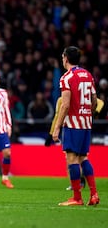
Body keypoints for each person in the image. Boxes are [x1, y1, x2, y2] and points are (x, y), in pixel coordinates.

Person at [52, 46, 99, 206]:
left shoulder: (66, 77)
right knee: (83, 158)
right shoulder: (88, 75)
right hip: (86, 123)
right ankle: (93, 195)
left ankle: (77, 198)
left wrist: (57, 127)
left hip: (73, 124)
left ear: (65, 58)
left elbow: (65, 105)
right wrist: (87, 113)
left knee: (72, 158)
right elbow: (94, 100)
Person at [45, 96, 104, 190]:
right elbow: (100, 102)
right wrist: (95, 112)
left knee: (70, 159)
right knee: (82, 157)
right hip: (85, 128)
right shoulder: (84, 96)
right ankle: (90, 189)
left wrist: (51, 133)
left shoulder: (62, 99)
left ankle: (77, 184)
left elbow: (57, 117)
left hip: (71, 129)